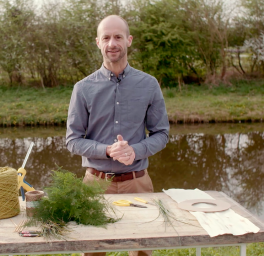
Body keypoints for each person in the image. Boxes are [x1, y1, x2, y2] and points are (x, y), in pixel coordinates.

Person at [66, 15, 170, 256]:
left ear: (129, 40)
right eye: (106, 37)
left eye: (118, 37)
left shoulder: (149, 84)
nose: (112, 43)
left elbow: (161, 133)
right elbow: (73, 140)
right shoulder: (82, 88)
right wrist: (106, 150)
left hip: (138, 184)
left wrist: (135, 150)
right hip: (94, 186)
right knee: (92, 251)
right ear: (98, 42)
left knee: (142, 251)